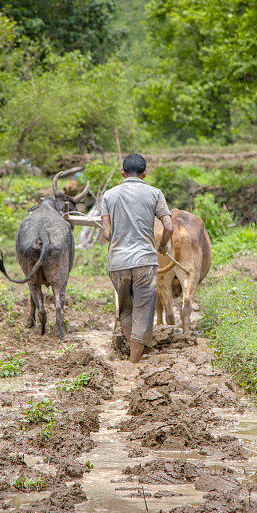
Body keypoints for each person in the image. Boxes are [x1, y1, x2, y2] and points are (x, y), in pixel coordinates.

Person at [101, 153, 173, 363]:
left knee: (125, 309)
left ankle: (131, 356)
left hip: (118, 263)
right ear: (145, 173)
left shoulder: (109, 195)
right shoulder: (154, 193)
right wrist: (162, 244)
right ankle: (134, 362)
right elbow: (168, 226)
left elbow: (106, 234)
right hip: (144, 262)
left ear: (122, 172)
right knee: (143, 310)